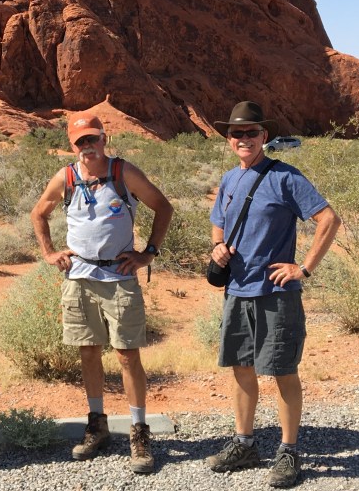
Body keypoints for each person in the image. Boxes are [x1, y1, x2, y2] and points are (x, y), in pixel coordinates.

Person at [205, 102, 340, 488]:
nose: (244, 138)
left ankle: (289, 451)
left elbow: (328, 219)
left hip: (276, 293)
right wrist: (217, 248)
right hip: (237, 290)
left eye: (251, 132)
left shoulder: (285, 177)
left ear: (264, 136)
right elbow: (218, 223)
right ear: (229, 139)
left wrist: (304, 268)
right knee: (241, 368)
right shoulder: (229, 179)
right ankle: (244, 444)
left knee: (282, 371)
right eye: (237, 133)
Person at [31, 111, 173, 475]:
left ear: (104, 139)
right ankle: (97, 425)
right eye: (80, 142)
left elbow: (163, 207)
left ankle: (139, 431)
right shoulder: (66, 177)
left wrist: (148, 253)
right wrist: (49, 253)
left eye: (92, 139)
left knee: (127, 355)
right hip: (79, 276)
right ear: (72, 145)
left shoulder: (124, 173)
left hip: (119, 276)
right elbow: (39, 213)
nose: (87, 146)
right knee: (88, 351)